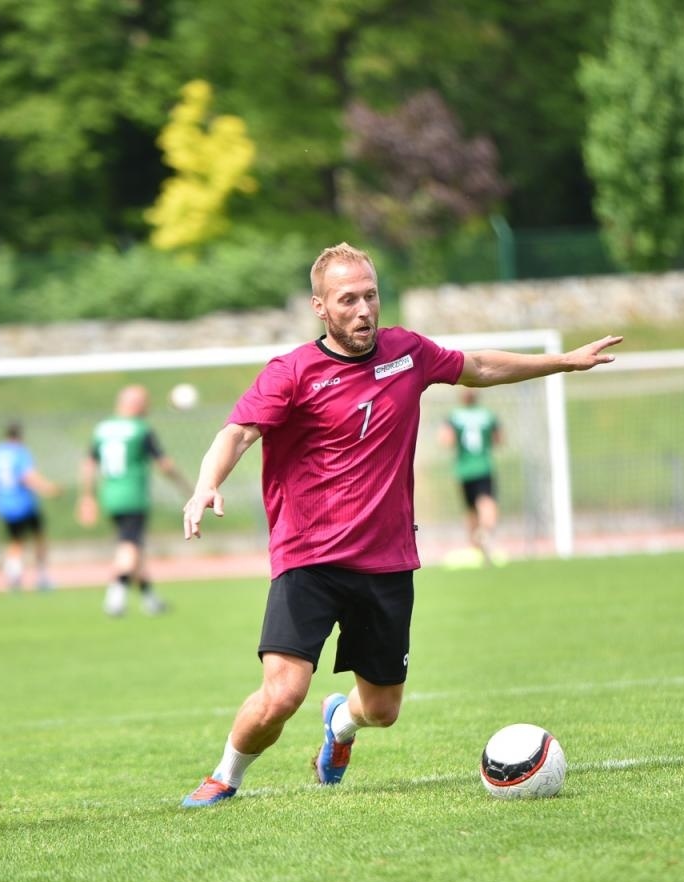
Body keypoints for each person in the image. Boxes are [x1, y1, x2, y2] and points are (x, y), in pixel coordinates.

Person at [179, 242, 623, 807]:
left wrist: (562, 361)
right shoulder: (292, 373)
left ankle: (340, 722)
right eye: (348, 300)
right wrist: (206, 484)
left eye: (370, 296)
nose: (364, 310)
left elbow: (477, 366)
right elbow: (238, 432)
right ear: (320, 307)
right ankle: (225, 775)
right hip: (308, 558)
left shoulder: (406, 352)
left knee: (382, 711)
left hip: (387, 561)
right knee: (283, 692)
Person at [77, 384, 192, 617]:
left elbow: (89, 463)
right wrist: (187, 487)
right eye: (145, 402)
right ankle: (115, 595)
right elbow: (165, 465)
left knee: (134, 546)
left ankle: (150, 600)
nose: (148, 407)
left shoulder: (103, 429)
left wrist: (87, 497)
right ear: (135, 404)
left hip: (110, 495)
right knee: (129, 546)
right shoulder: (141, 430)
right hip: (133, 496)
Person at [0, 422, 60, 591]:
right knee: (39, 537)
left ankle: (13, 575)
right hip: (23, 503)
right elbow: (28, 476)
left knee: (15, 540)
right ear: (20, 437)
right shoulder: (20, 452)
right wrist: (48, 488)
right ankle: (42, 576)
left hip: (4, 504)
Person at [438, 386, 506, 566]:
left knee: (470, 510)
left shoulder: (454, 416)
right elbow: (499, 440)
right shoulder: (488, 415)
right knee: (487, 503)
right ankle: (484, 534)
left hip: (463, 469)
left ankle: (475, 548)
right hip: (483, 466)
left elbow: (446, 440)